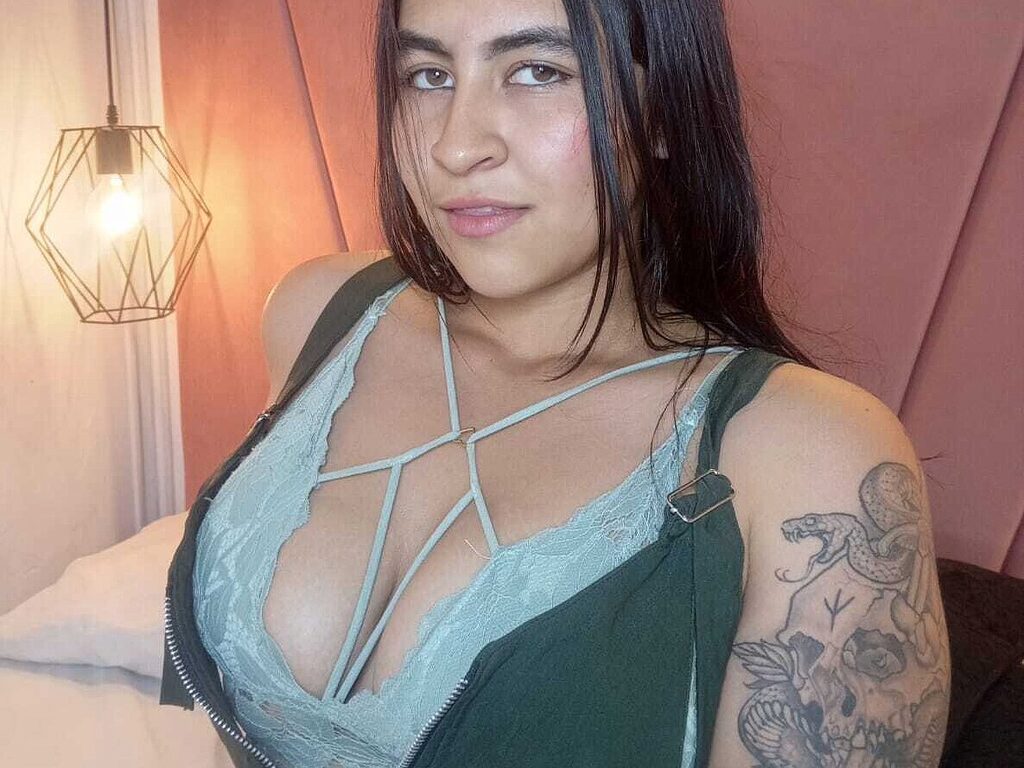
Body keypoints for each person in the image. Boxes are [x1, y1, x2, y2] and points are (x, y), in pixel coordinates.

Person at [183, 0, 951, 765]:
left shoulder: (807, 453)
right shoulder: (321, 313)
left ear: (664, 112)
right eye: (428, 75)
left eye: (538, 71)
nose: (455, 146)